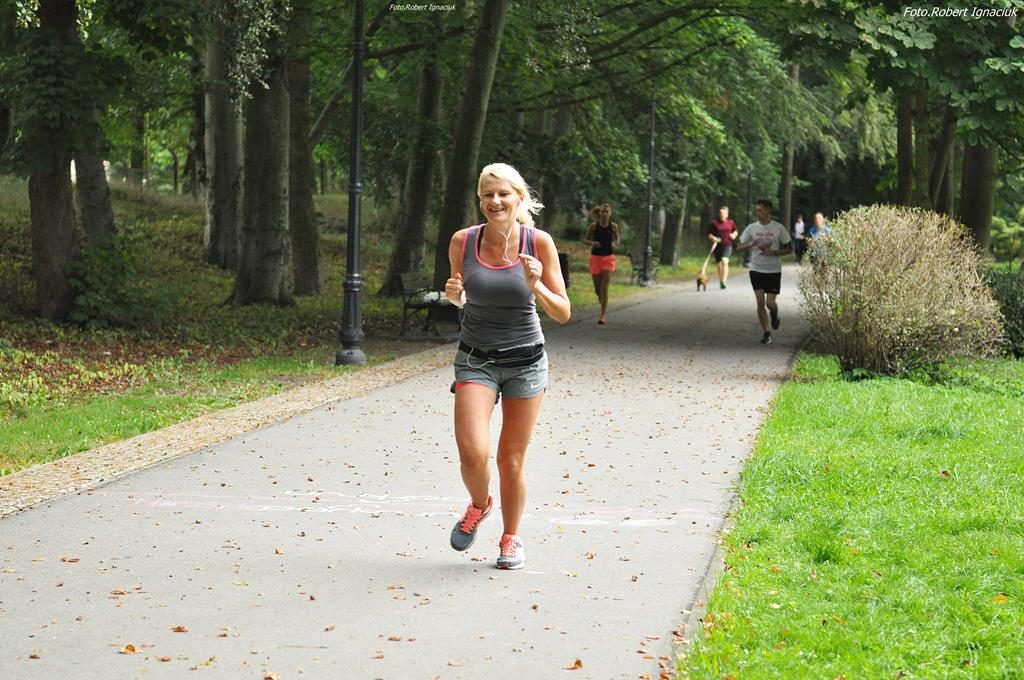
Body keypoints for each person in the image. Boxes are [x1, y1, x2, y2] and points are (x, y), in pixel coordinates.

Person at [443, 162, 571, 570]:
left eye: (503, 194)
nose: (495, 201)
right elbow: (461, 297)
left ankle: (511, 538)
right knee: (472, 453)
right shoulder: (463, 240)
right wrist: (454, 295)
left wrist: (536, 286)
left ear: (519, 197)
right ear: (480, 199)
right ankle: (480, 504)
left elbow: (563, 311)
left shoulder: (539, 242)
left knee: (509, 460)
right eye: (487, 195)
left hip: (525, 363)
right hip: (476, 358)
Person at [734, 199, 792, 344]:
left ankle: (774, 314)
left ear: (768, 211)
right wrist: (750, 244)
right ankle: (766, 332)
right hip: (756, 269)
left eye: (760, 210)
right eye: (757, 210)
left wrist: (775, 252)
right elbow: (738, 247)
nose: (758, 212)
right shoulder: (752, 228)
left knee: (770, 303)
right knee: (760, 302)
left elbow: (789, 248)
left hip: (773, 270)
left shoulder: (778, 228)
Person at [582, 202, 620, 323]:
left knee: (604, 288)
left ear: (610, 213)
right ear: (599, 213)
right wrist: (593, 243)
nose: (604, 214)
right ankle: (601, 298)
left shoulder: (613, 226)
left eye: (606, 212)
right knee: (597, 289)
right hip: (595, 258)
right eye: (602, 211)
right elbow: (585, 239)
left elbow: (617, 238)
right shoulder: (594, 226)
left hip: (608, 258)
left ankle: (602, 315)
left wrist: (616, 243)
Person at [705, 205, 739, 288]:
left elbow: (735, 231)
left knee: (725, 260)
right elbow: (709, 234)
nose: (722, 215)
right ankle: (721, 280)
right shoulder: (714, 223)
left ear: (727, 214)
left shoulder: (731, 222)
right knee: (719, 264)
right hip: (717, 246)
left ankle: (724, 281)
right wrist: (713, 238)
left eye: (724, 213)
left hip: (727, 245)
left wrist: (734, 235)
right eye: (720, 213)